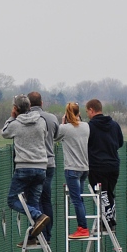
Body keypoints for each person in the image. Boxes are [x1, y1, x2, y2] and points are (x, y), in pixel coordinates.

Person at [2, 94, 50, 246]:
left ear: (15, 109)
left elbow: (4, 132)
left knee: (12, 200)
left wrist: (11, 118)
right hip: (42, 167)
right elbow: (45, 134)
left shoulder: (15, 124)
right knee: (33, 201)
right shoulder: (41, 121)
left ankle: (38, 215)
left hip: (24, 167)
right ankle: (32, 237)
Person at [85, 98, 123, 230]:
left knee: (102, 194)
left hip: (97, 166)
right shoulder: (114, 125)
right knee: (109, 193)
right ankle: (109, 219)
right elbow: (120, 143)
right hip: (113, 165)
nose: (87, 114)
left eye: (87, 111)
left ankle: (107, 222)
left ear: (91, 110)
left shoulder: (89, 127)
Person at [27, 91, 60, 241]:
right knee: (46, 199)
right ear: (42, 103)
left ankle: (39, 233)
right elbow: (57, 135)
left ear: (28, 104)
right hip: (50, 162)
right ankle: (48, 233)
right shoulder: (52, 118)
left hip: (33, 163)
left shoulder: (26, 119)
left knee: (34, 199)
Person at [56, 102, 90, 238]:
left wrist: (63, 122)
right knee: (79, 199)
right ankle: (82, 226)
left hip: (71, 168)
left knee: (76, 200)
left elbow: (55, 137)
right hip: (84, 168)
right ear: (79, 113)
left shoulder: (64, 128)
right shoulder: (86, 126)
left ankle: (83, 228)